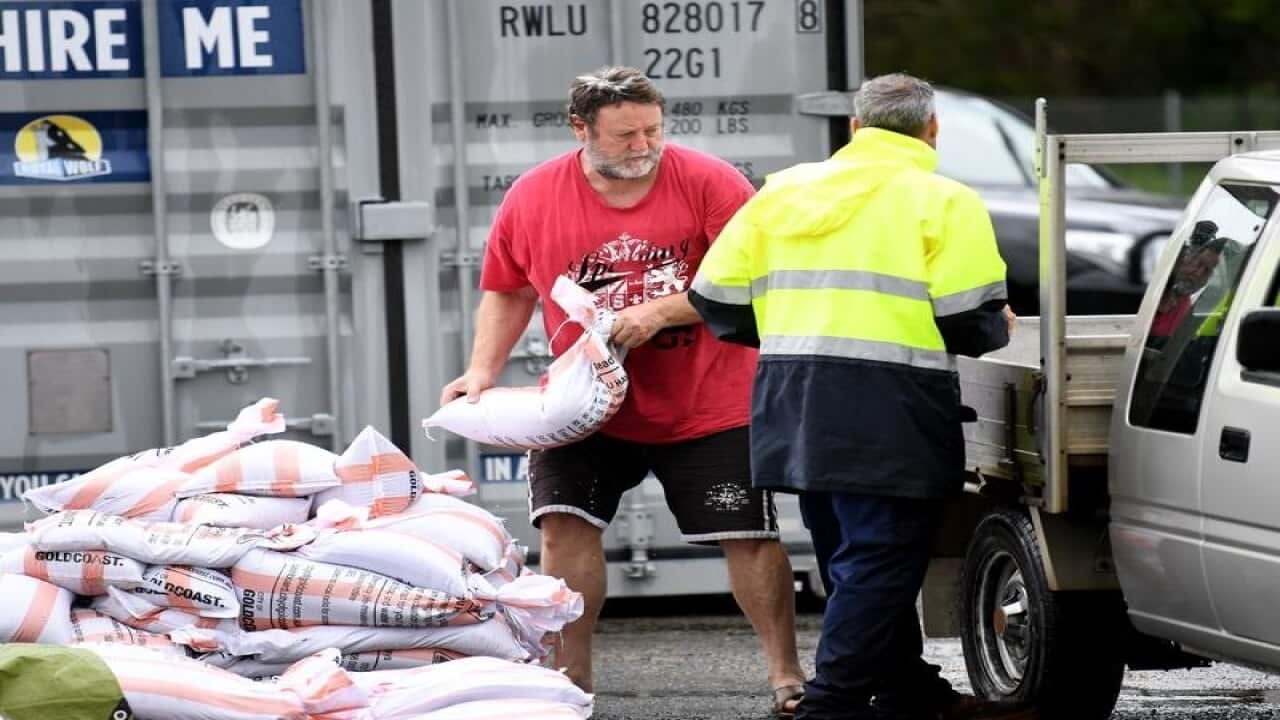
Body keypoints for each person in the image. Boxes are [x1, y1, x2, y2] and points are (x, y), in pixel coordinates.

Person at [439, 66, 807, 717]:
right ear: (580, 129)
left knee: (747, 533)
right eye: (625, 135)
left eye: (652, 130)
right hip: (582, 405)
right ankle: (571, 681)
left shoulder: (710, 181)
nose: (643, 146)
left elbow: (756, 277)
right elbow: (509, 288)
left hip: (708, 402)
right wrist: (481, 371)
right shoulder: (532, 196)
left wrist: (662, 312)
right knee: (563, 528)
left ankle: (786, 676)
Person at [688, 73, 1026, 720]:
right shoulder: (944, 200)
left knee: (854, 556)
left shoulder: (781, 191)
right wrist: (996, 321)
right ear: (932, 130)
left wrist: (800, 327)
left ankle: (906, 692)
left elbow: (717, 303)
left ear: (855, 129)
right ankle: (832, 706)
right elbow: (970, 324)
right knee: (880, 561)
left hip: (795, 401)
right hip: (890, 405)